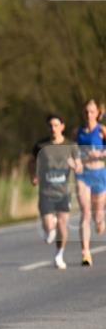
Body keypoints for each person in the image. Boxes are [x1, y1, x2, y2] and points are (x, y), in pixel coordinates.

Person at [29, 114, 83, 270]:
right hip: (46, 191)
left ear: (62, 126)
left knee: (63, 224)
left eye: (56, 125)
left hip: (63, 191)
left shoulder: (71, 145)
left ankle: (59, 254)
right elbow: (31, 162)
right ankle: (49, 226)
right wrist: (32, 176)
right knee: (48, 228)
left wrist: (74, 164)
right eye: (50, 126)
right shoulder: (41, 145)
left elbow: (79, 166)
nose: (53, 128)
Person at [74, 99, 106, 267]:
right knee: (85, 212)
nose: (88, 114)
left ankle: (100, 221)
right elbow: (73, 151)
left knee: (97, 214)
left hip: (100, 173)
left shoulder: (102, 131)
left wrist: (99, 154)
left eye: (92, 111)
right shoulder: (77, 132)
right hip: (83, 174)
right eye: (86, 111)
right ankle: (85, 252)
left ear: (98, 113)